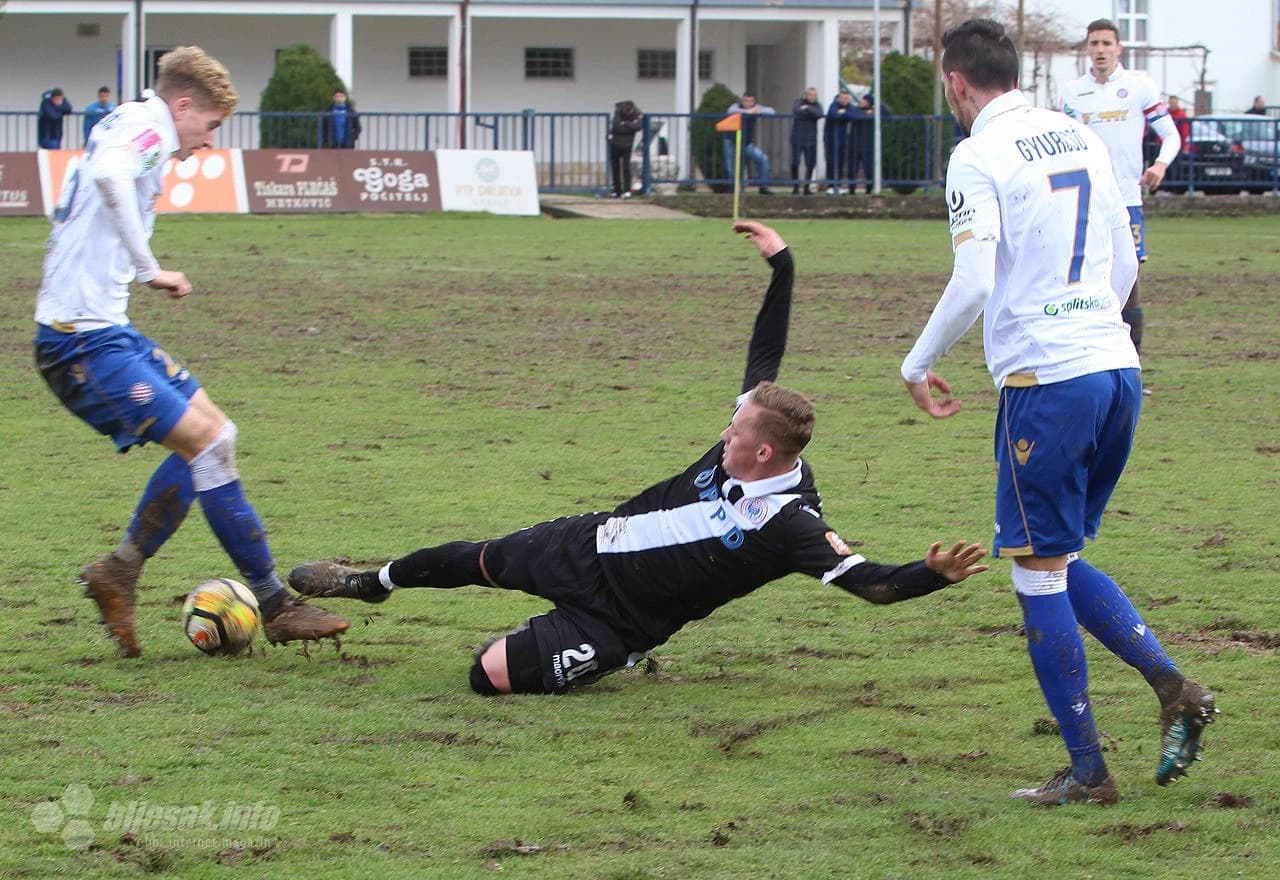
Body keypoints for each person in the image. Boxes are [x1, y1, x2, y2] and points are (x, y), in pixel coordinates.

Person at [289, 221, 989, 696]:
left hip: (620, 621)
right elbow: (765, 353)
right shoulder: (748, 434)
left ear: (764, 450)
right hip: (588, 543)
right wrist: (784, 265)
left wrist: (932, 576)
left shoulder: (793, 524)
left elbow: (872, 585)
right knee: (480, 559)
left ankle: (605, 660)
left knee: (487, 677)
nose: (725, 426)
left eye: (736, 426)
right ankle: (374, 581)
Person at [900, 18, 1216, 806]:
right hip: (1116, 369)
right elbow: (1122, 256)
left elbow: (973, 282)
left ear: (957, 84)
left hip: (1051, 381)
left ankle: (1087, 772)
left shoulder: (976, 154)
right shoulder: (1074, 134)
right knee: (1060, 556)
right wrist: (1092, 324)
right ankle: (1173, 685)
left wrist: (918, 362)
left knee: (1037, 576)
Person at [33, 46, 349, 657]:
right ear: (183, 105)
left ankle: (119, 570)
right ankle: (275, 604)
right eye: (209, 127)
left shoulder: (127, 120)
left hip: (104, 330)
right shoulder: (148, 128)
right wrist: (149, 268)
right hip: (78, 344)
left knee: (217, 437)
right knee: (206, 444)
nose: (206, 143)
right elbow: (107, 177)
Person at [1059, 19, 1180, 367]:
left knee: (1129, 278)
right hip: (1084, 201)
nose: (1100, 50)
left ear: (1118, 48)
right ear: (1087, 49)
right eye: (1094, 44)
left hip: (1126, 200)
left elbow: (1170, 135)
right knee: (1080, 276)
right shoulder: (1071, 93)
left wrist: (1160, 164)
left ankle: (1132, 362)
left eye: (1106, 44)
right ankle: (1083, 357)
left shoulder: (1139, 87)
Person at [722, 93, 775, 195]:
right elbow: (730, 111)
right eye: (746, 101)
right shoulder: (736, 106)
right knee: (731, 169)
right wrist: (747, 112)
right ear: (742, 101)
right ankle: (734, 192)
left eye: (751, 101)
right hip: (731, 142)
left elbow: (771, 112)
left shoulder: (756, 108)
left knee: (763, 159)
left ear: (754, 102)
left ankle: (763, 187)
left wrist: (758, 111)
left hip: (746, 143)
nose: (748, 103)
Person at [789, 87, 823, 194]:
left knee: (810, 164)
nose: (812, 97)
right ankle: (795, 186)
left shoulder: (817, 105)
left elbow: (819, 114)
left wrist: (807, 108)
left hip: (811, 139)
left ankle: (806, 187)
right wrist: (810, 113)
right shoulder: (798, 102)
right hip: (797, 137)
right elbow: (797, 110)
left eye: (814, 95)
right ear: (805, 95)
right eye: (810, 94)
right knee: (795, 162)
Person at [607, 99, 643, 198]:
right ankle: (616, 190)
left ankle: (627, 190)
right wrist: (630, 126)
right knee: (615, 167)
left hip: (627, 144)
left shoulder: (638, 113)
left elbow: (638, 127)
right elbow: (616, 127)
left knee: (626, 167)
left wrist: (625, 123)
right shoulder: (618, 111)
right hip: (615, 142)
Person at [824, 90, 855, 194]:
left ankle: (838, 185)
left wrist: (843, 113)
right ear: (839, 98)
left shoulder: (850, 107)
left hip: (843, 140)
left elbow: (853, 115)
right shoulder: (834, 105)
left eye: (846, 98)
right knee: (831, 161)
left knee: (841, 162)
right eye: (843, 98)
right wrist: (844, 114)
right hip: (831, 138)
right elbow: (834, 115)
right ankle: (831, 185)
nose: (844, 100)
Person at [848, 94, 876, 195]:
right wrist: (867, 114)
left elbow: (888, 114)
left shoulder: (874, 111)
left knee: (869, 170)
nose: (861, 101)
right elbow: (853, 116)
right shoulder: (854, 109)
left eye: (864, 100)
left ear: (868, 102)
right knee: (852, 170)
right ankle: (852, 190)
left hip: (868, 146)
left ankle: (869, 189)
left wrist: (878, 104)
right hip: (854, 145)